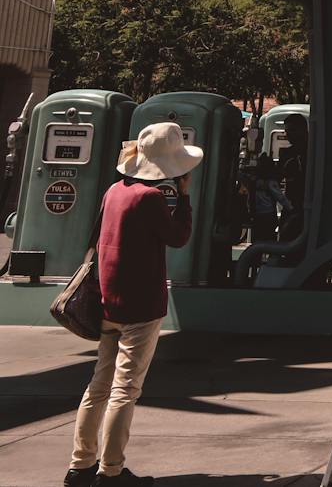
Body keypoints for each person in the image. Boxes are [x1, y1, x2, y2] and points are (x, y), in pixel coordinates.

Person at [65, 122, 201, 487]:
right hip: (141, 305)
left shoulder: (114, 191)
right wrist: (184, 198)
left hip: (108, 300)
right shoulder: (151, 198)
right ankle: (111, 471)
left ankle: (80, 465)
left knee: (99, 385)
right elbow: (178, 237)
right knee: (125, 391)